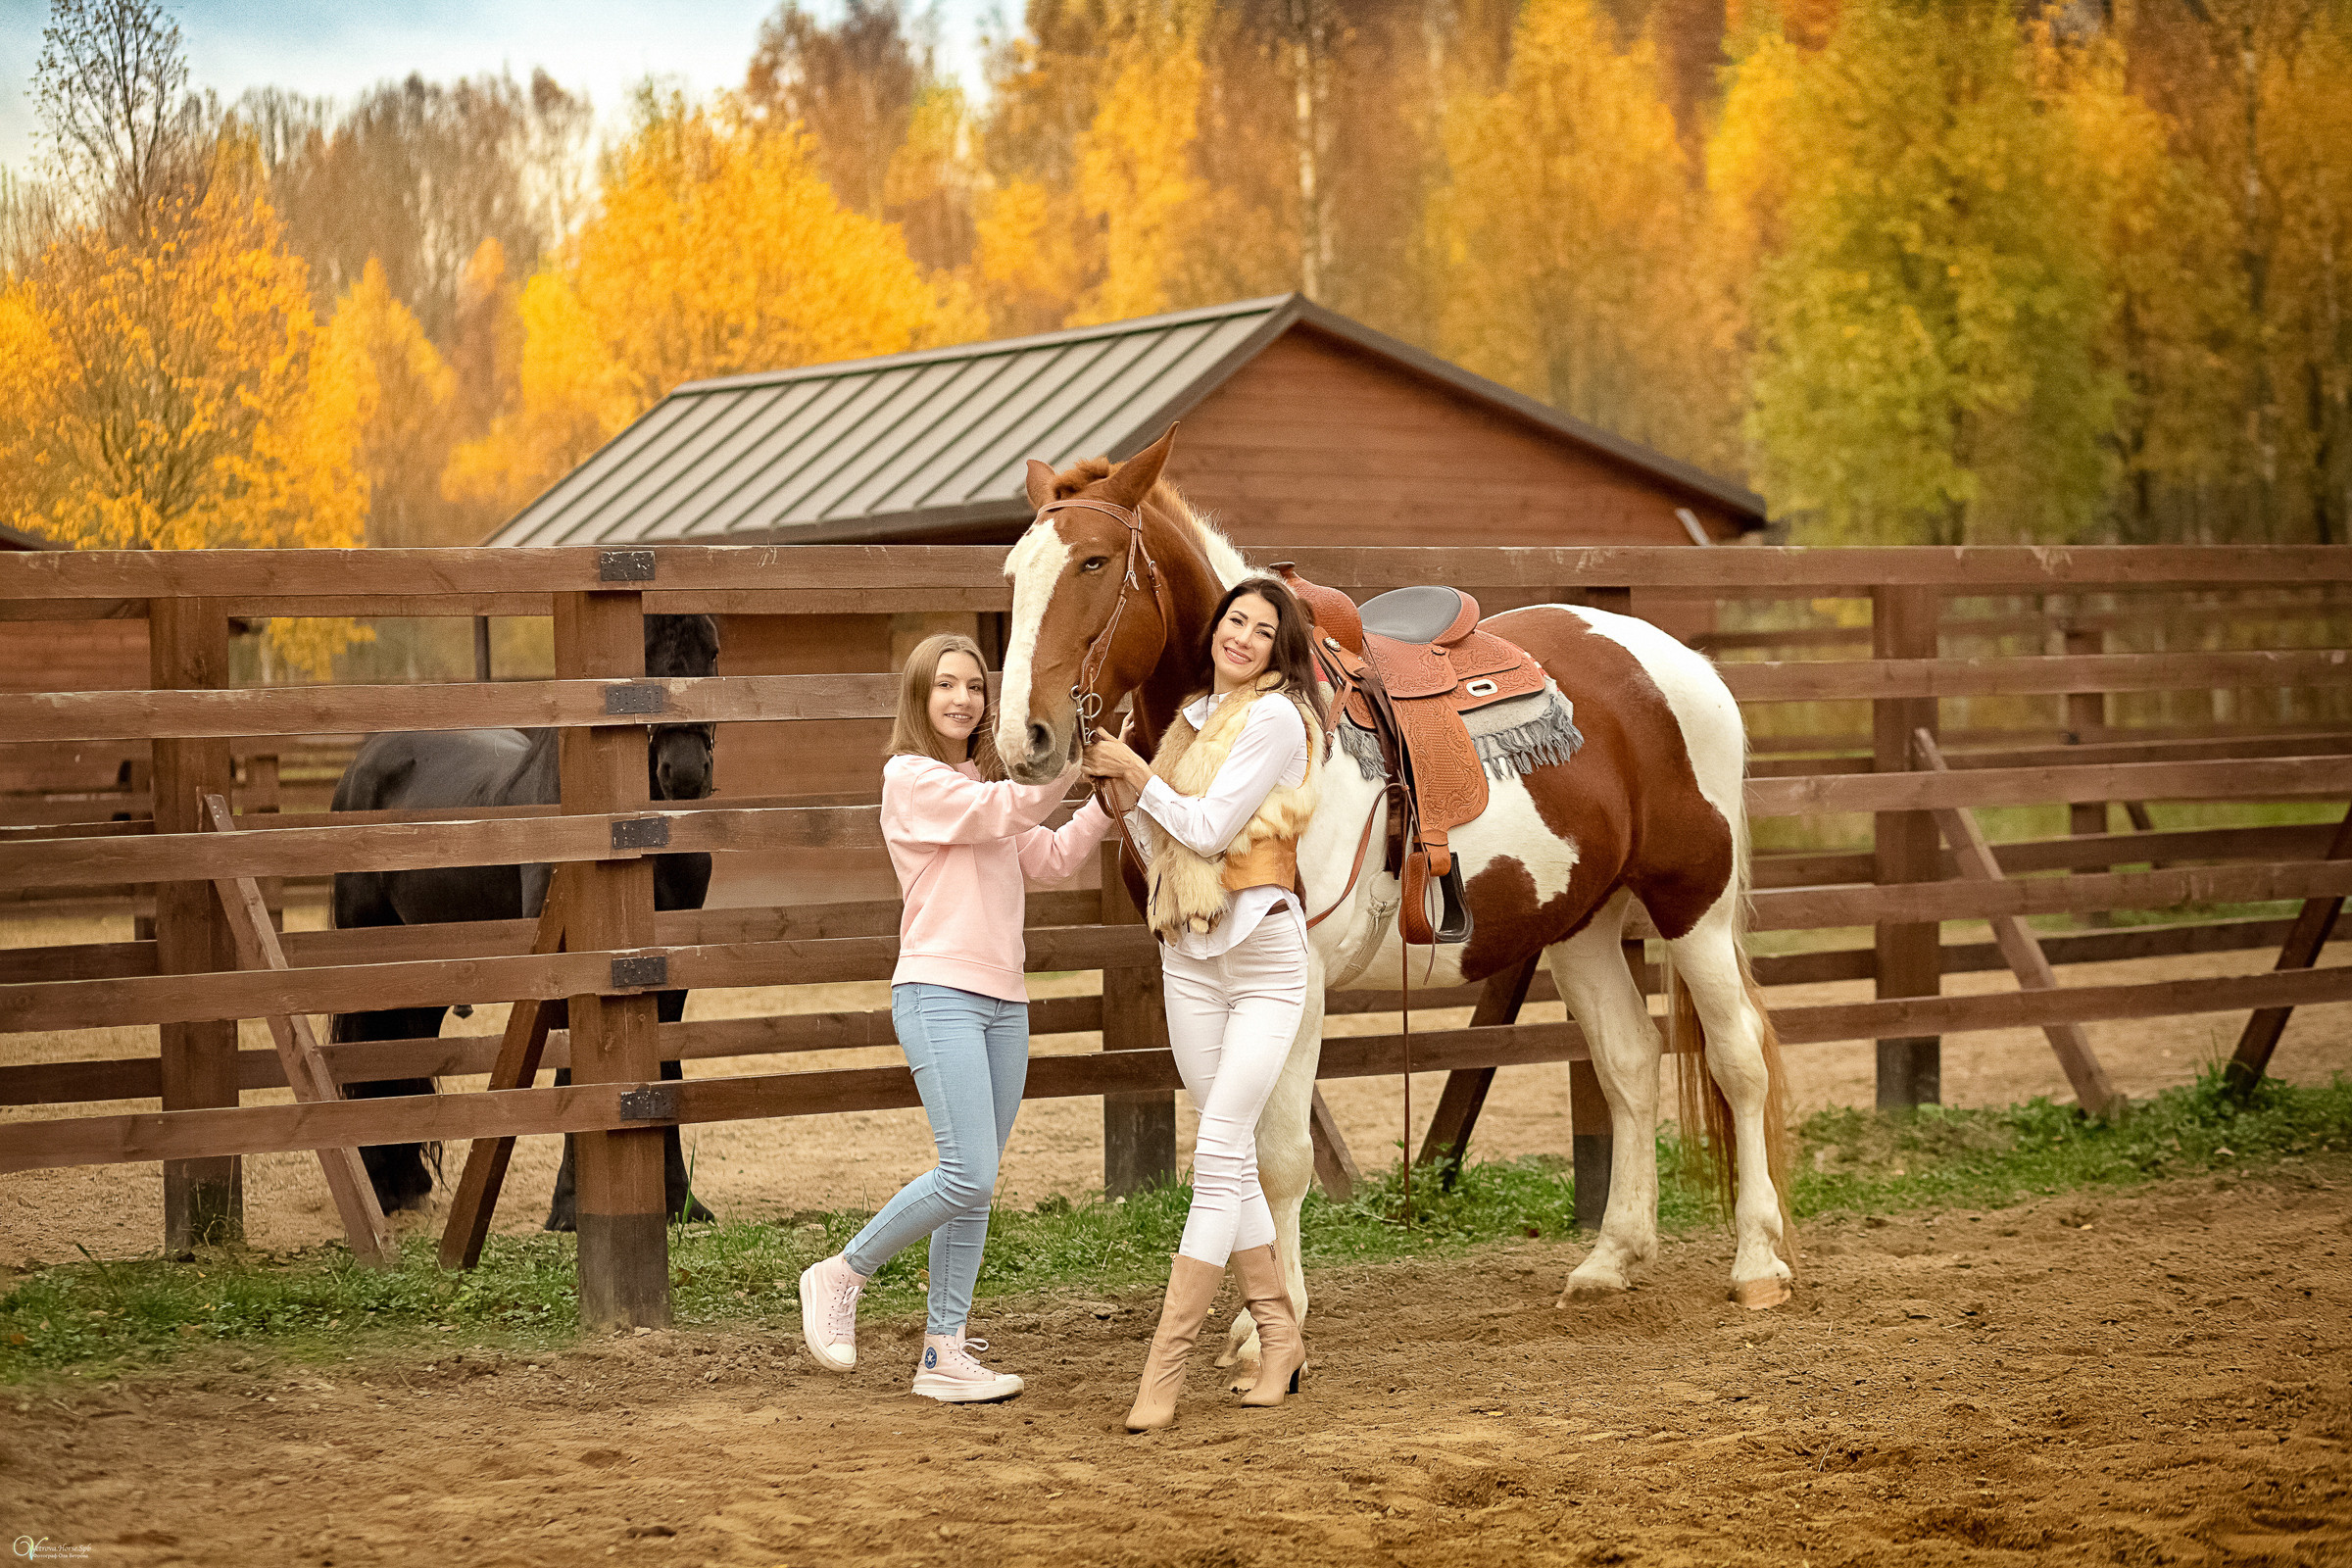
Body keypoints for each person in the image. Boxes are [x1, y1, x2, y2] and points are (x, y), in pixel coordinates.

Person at [799, 632, 1113, 1403]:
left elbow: (1051, 856)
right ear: (920, 695)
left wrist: (1107, 799)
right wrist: (1078, 759)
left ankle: (943, 1352)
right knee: (966, 1169)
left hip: (1005, 1000)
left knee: (976, 1184)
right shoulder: (910, 780)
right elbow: (1008, 808)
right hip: (937, 992)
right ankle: (842, 1272)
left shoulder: (982, 785)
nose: (963, 698)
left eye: (975, 686)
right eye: (947, 685)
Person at [1081, 576, 1327, 1432]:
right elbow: (1161, 840)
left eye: (1263, 630)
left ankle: (1163, 1370)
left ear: (1278, 650)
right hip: (1190, 953)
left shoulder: (1276, 718)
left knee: (1219, 1145)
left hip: (1261, 956)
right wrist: (1123, 796)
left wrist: (1138, 774)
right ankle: (1280, 1336)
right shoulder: (1189, 720)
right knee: (1226, 1156)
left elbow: (1214, 827)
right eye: (1235, 621)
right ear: (1215, 630)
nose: (1244, 637)